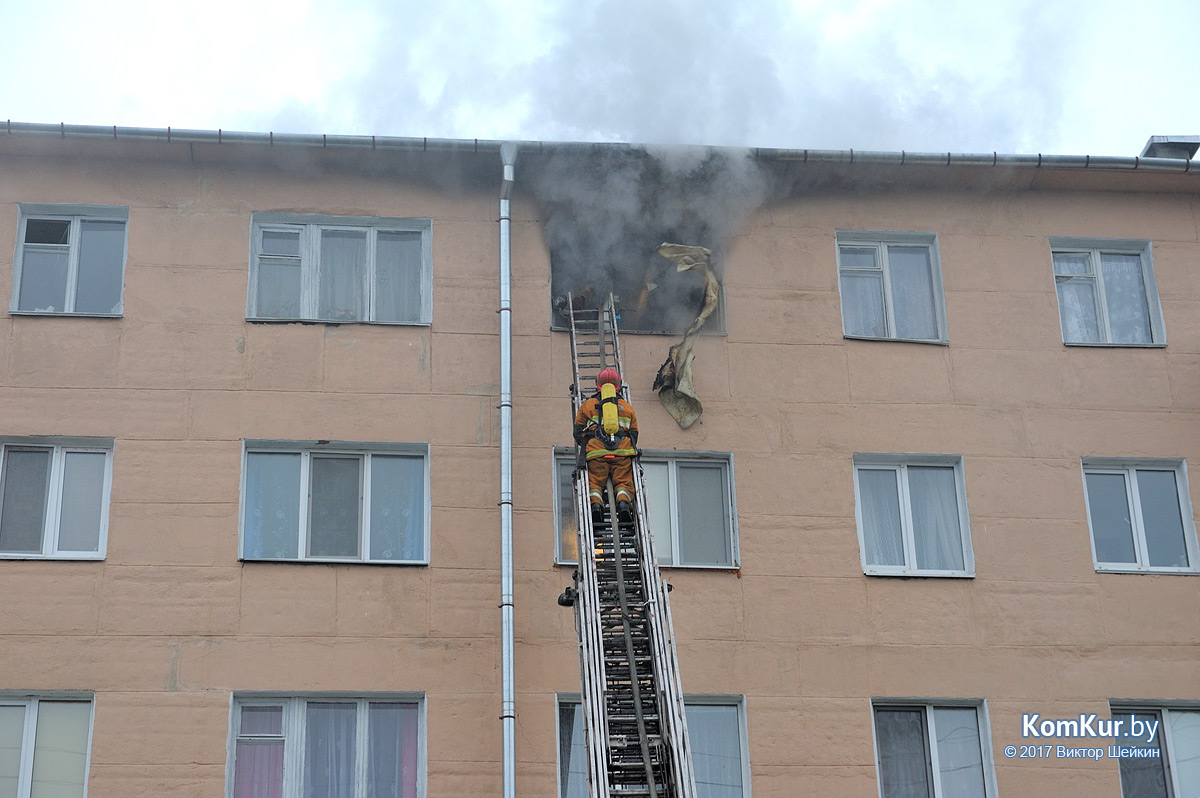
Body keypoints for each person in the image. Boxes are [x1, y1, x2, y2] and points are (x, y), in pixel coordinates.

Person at [573, 367, 639, 523]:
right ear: (619, 386)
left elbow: (577, 432)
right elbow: (634, 433)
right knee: (623, 482)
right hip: (622, 453)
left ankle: (596, 507)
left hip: (596, 454)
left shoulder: (588, 405)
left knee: (595, 482)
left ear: (598, 385)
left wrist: (588, 443)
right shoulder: (627, 408)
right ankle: (623, 504)